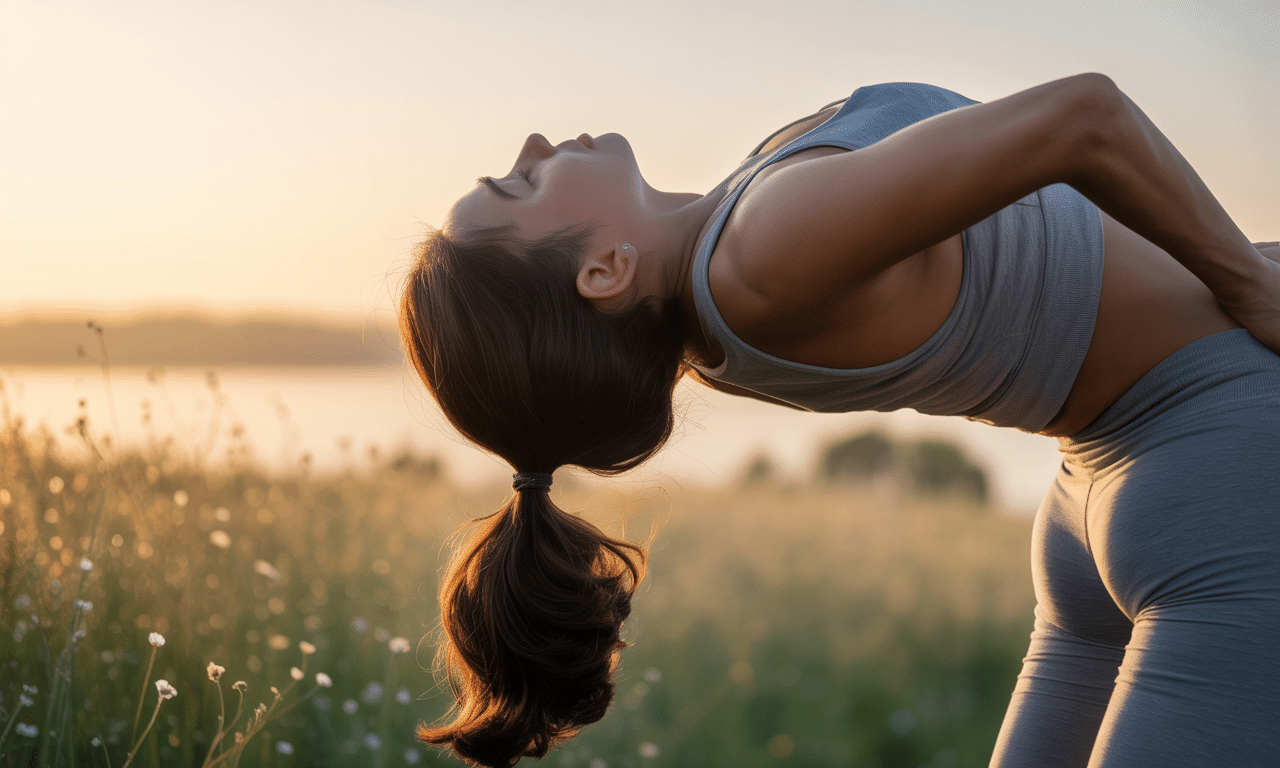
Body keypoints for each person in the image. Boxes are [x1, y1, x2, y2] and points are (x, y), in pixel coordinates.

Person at [398, 73, 1280, 767]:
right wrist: (1252, 285)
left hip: (1104, 492)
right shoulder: (764, 248)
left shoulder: (717, 306)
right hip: (1209, 449)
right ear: (603, 272)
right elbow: (1086, 117)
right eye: (522, 183)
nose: (535, 144)